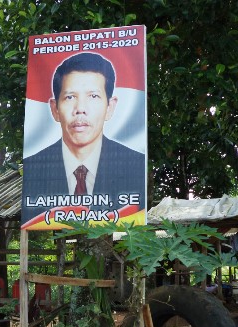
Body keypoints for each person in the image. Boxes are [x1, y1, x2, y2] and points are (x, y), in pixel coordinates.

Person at [21, 52, 145, 224]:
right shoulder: (35, 168)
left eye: (93, 96)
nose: (80, 109)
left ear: (110, 107)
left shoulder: (135, 165)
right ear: (55, 109)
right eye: (70, 97)